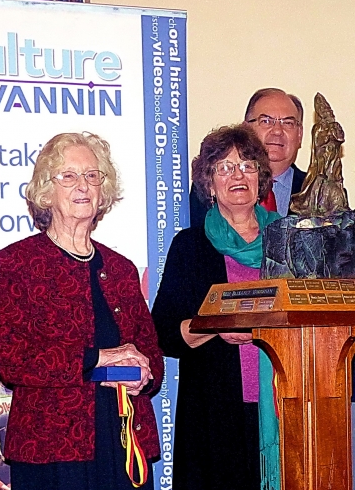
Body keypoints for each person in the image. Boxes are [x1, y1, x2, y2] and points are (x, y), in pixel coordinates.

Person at [0, 132, 163, 490]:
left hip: (123, 441)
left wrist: (143, 376)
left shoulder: (121, 268)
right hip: (51, 449)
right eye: (68, 176)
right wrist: (98, 357)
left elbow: (152, 358)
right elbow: (12, 360)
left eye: (92, 175)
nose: (82, 185)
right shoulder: (18, 262)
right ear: (46, 191)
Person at [152, 125, 282, 490]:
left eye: (247, 165)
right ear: (209, 185)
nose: (237, 175)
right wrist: (213, 326)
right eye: (224, 168)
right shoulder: (190, 246)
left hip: (285, 406)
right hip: (214, 413)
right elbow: (163, 332)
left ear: (261, 177)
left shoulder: (288, 240)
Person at [190, 88, 306, 226]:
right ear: (246, 129)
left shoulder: (317, 191)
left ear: (300, 135)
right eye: (266, 121)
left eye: (288, 123)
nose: (277, 131)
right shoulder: (212, 184)